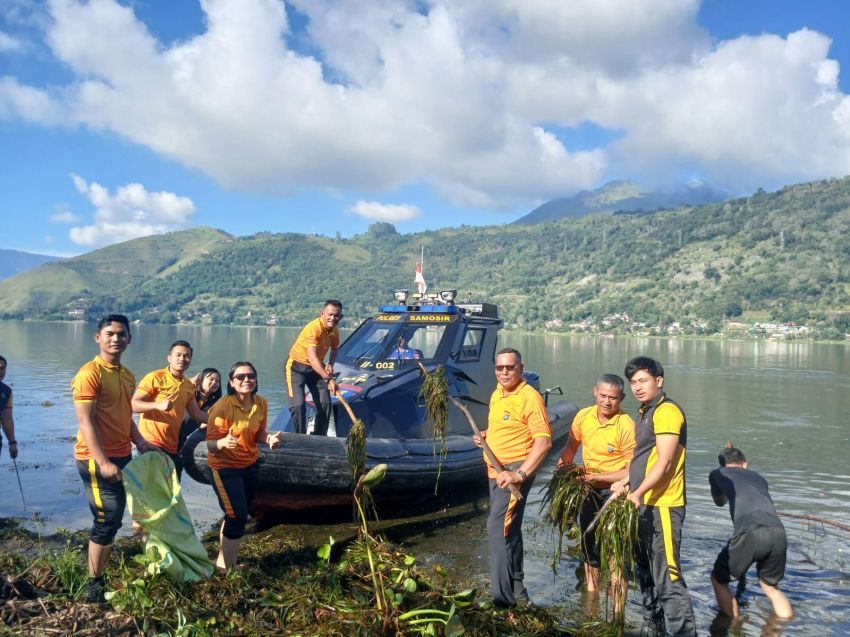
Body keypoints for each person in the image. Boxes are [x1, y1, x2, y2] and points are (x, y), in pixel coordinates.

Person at [72, 314, 158, 603]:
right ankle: (94, 582)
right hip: (95, 458)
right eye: (109, 333)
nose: (116, 338)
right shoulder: (90, 374)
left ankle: (106, 566)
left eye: (121, 334)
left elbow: (126, 416)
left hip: (123, 454)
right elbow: (86, 422)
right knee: (107, 519)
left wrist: (142, 442)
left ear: (129, 340)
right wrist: (104, 461)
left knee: (119, 514)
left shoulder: (127, 375)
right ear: (98, 337)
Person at [612, 356, 697, 636]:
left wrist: (637, 491)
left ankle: (685, 633)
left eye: (643, 380)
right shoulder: (645, 411)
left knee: (668, 576)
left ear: (658, 381)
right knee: (645, 570)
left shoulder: (667, 411)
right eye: (633, 382)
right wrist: (626, 481)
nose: (637, 387)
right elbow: (645, 457)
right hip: (643, 503)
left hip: (663, 505)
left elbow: (665, 463)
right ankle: (653, 627)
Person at [474, 348, 552, 608]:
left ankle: (502, 599)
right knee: (511, 530)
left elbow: (543, 442)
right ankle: (518, 590)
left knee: (496, 529)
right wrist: (486, 436)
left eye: (510, 367)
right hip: (495, 471)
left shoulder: (529, 397)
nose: (504, 372)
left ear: (521, 367)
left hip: (513, 472)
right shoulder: (498, 393)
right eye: (500, 368)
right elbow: (506, 427)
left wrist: (519, 473)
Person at [557, 373, 635, 598]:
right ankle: (591, 600)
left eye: (613, 398)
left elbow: (632, 471)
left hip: (616, 491)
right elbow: (571, 447)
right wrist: (563, 468)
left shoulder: (626, 425)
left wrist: (597, 478)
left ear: (621, 398)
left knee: (614, 548)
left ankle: (618, 606)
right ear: (595, 392)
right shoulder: (583, 416)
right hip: (587, 489)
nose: (607, 402)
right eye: (603, 395)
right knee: (588, 542)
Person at [206, 362, 281, 571]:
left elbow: (258, 433)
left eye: (250, 376)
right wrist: (222, 443)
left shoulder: (261, 403)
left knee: (236, 513)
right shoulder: (222, 406)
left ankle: (225, 562)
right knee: (237, 516)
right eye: (240, 377)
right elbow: (210, 444)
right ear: (231, 382)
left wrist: (269, 439)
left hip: (250, 464)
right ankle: (226, 568)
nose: (246, 380)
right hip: (225, 467)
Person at [709, 446, 793, 619]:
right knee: (771, 587)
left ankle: (734, 625)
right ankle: (782, 627)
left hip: (749, 533)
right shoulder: (759, 478)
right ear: (745, 464)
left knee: (718, 579)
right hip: (778, 531)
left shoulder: (717, 473)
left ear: (722, 465)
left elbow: (719, 502)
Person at [132, 340, 209, 480]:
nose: (182, 359)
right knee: (153, 492)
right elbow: (133, 405)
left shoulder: (188, 386)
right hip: (150, 443)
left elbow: (196, 413)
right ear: (169, 358)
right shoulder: (155, 377)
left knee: (170, 493)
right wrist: (157, 405)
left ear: (190, 359)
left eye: (186, 356)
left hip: (172, 446)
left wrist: (223, 420)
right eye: (178, 355)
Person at [284, 300, 342, 435]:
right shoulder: (313, 329)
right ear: (322, 313)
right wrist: (329, 379)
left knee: (325, 403)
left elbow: (335, 349)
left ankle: (318, 436)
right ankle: (300, 437)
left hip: (316, 369)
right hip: (296, 368)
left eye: (336, 315)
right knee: (298, 405)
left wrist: (330, 365)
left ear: (340, 317)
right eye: (330, 314)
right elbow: (312, 358)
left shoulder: (334, 331)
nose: (333, 318)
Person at [178, 367, 222, 451]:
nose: (214, 382)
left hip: (188, 437)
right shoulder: (190, 392)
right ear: (201, 380)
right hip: (174, 432)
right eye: (211, 379)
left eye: (217, 381)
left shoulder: (216, 403)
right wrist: (189, 384)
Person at [0, 355, 18, 459]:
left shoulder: (6, 392)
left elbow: (7, 419)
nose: (0, 371)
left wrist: (12, 443)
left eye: (2, 368)